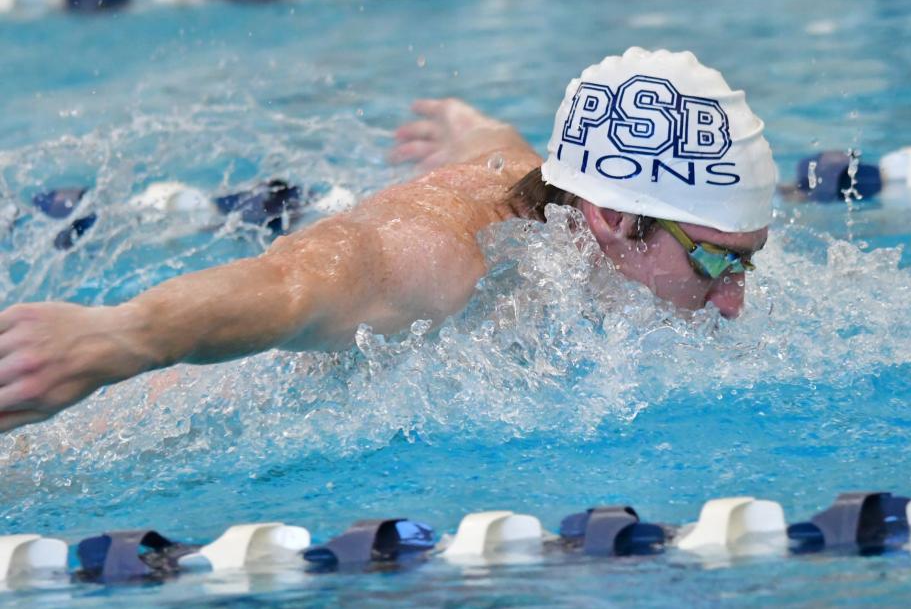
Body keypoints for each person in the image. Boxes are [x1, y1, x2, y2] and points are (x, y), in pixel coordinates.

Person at [0, 47, 775, 433]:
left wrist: (465, 126)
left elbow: (502, 147)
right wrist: (118, 335)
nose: (734, 300)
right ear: (612, 219)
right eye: (717, 259)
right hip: (103, 422)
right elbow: (297, 283)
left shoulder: (552, 192)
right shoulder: (441, 255)